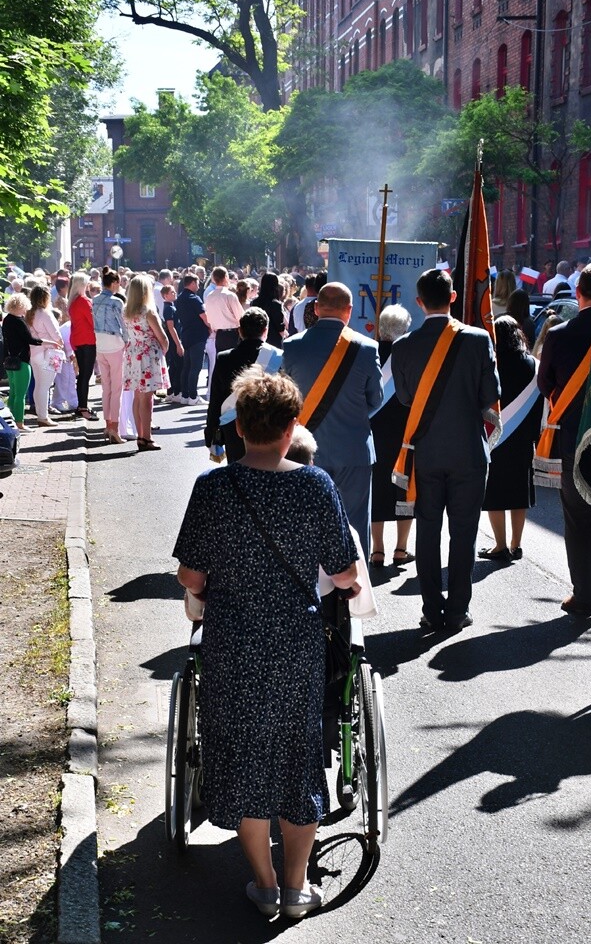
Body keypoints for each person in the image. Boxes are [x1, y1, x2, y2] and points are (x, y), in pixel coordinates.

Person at [173, 367, 360, 919]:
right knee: (297, 758)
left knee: (245, 758)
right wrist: (346, 584)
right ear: (290, 428)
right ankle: (297, 889)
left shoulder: (213, 487)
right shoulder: (315, 485)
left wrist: (209, 586)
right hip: (295, 643)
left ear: (239, 428)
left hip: (232, 642)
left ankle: (264, 884)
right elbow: (344, 571)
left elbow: (190, 575)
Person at [391, 268, 500, 632]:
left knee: (427, 531)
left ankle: (431, 609)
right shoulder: (479, 339)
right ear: (453, 297)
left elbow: (405, 398)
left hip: (425, 451)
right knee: (464, 533)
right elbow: (491, 395)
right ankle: (457, 611)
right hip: (469, 450)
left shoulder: (403, 345)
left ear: (419, 302)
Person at [537, 261, 591, 616]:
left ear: (578, 293)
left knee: (578, 520)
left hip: (575, 441)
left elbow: (545, 384)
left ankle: (584, 596)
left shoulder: (559, 335)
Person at [282, 282, 383, 560]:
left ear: (316, 308)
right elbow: (376, 399)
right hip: (354, 449)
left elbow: (285, 399)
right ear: (349, 310)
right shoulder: (367, 347)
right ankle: (355, 585)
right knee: (355, 527)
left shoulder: (292, 346)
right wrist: (353, 418)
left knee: (307, 527)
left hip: (303, 449)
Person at [478, 316, 543, 560]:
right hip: (524, 438)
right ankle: (516, 545)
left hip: (495, 437)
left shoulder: (491, 364)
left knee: (495, 494)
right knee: (519, 493)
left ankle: (500, 545)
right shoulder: (533, 364)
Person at [205, 306, 282, 463]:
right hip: (269, 424)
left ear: (240, 330)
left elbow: (216, 399)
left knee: (236, 468)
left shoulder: (224, 358)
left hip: (233, 425)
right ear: (265, 330)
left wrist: (211, 430)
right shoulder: (278, 357)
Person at [369, 304, 414, 567]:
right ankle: (401, 549)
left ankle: (377, 550)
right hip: (404, 434)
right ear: (405, 330)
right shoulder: (411, 356)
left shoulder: (368, 353)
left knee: (377, 489)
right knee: (403, 490)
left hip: (374, 433)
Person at [123, 275, 169, 451]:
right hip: (148, 355)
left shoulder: (126, 311)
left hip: (133, 354)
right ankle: (147, 437)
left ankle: (140, 435)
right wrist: (164, 350)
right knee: (147, 398)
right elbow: (162, 337)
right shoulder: (148, 312)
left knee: (137, 396)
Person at [2, 293, 57, 431]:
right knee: (20, 394)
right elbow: (30, 340)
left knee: (13, 393)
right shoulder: (19, 321)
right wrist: (50, 342)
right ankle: (19, 423)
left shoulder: (7, 319)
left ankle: (10, 422)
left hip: (9, 361)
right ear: (21, 305)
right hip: (21, 361)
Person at [92, 268, 129, 444]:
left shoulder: (95, 300)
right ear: (114, 283)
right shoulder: (116, 301)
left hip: (100, 344)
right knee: (116, 390)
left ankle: (108, 426)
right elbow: (123, 324)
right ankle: (114, 428)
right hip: (114, 344)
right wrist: (127, 341)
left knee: (106, 388)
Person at [26, 286, 65, 427]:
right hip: (48, 353)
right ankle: (43, 417)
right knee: (45, 386)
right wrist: (61, 343)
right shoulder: (45, 314)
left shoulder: (29, 313)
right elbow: (56, 334)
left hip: (34, 353)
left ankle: (41, 415)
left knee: (39, 386)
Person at [175, 273, 211, 405]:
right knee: (195, 367)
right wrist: (211, 327)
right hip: (197, 335)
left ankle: (185, 395)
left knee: (187, 366)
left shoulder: (179, 298)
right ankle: (193, 396)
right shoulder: (194, 299)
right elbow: (204, 317)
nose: (199, 286)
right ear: (193, 283)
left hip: (186, 334)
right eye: (197, 283)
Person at [68, 273, 98, 421]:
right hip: (87, 341)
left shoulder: (73, 301)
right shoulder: (84, 301)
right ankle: (83, 408)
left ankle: (82, 406)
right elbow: (93, 321)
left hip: (78, 340)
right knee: (85, 376)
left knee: (83, 376)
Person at [204, 265, 245, 352]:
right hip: (232, 334)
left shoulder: (209, 296)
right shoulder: (230, 295)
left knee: (221, 359)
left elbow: (209, 318)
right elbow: (240, 317)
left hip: (219, 336)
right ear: (226, 277)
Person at [161, 285, 184, 403]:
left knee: (174, 367)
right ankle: (176, 391)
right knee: (178, 366)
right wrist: (178, 344)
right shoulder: (168, 308)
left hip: (175, 340)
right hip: (174, 341)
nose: (175, 294)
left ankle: (171, 392)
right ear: (165, 295)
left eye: (175, 292)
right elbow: (171, 327)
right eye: (172, 292)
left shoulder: (172, 306)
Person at [254, 272, 286, 348]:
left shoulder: (254, 302)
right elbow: (280, 326)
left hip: (257, 340)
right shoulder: (276, 304)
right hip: (273, 341)